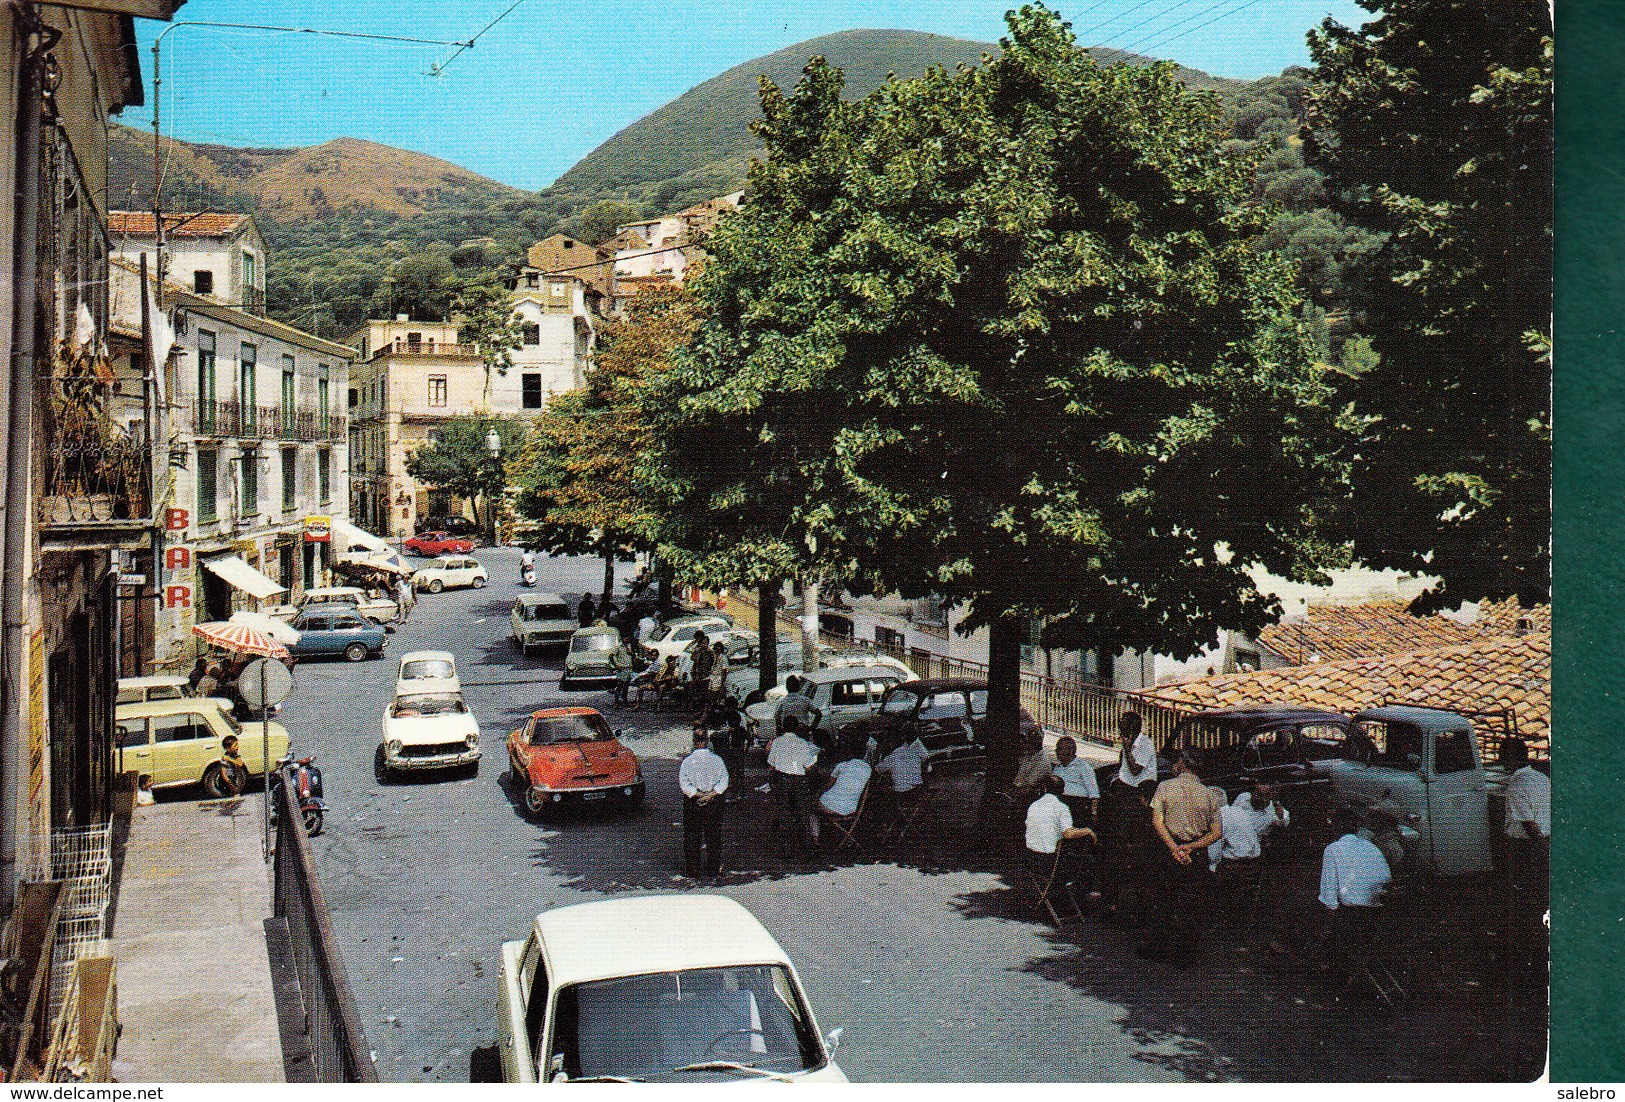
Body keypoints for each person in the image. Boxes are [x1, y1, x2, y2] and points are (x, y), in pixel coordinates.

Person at [1144, 748, 1224, 958]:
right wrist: (1192, 847)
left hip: (1169, 849)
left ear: (1181, 763)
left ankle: (1158, 948)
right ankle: (1187, 953)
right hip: (1196, 852)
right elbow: (1216, 832)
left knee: (1163, 899)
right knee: (1192, 903)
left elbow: (1157, 821)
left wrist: (1174, 848)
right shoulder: (1210, 795)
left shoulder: (1165, 787)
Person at [1319, 808, 1392, 981]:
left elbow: (1329, 898)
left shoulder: (1333, 849)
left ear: (1335, 827)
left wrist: (1326, 928)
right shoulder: (1372, 847)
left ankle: (1328, 968)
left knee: (1309, 909)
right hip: (1378, 913)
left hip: (1354, 918)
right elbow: (1386, 878)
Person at [1025, 774, 1098, 909]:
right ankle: (1075, 902)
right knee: (1089, 861)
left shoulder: (1034, 805)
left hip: (1031, 858)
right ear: (1062, 791)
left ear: (1044, 789)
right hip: (1048, 863)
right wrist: (1087, 831)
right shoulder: (1060, 807)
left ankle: (1059, 896)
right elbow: (1068, 833)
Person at [1501, 737, 1550, 903]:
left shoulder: (1517, 784)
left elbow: (1528, 822)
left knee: (1524, 893)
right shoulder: (1541, 778)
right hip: (1544, 840)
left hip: (1525, 847)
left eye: (1503, 756)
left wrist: (1544, 851)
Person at [767, 716, 820, 858]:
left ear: (783, 727)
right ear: (797, 728)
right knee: (803, 814)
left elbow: (771, 765)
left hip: (782, 780)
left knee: (784, 814)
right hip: (799, 781)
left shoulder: (777, 742)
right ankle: (806, 849)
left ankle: (785, 849)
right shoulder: (802, 743)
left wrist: (772, 782)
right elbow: (808, 766)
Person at [679, 728, 729, 877]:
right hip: (713, 802)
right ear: (707, 741)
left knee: (692, 836)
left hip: (694, 802)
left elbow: (684, 783)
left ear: (694, 742)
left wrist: (697, 794)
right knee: (713, 836)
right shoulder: (717, 760)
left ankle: (694, 869)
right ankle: (713, 868)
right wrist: (712, 794)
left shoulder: (687, 762)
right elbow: (724, 780)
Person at [1210, 783, 1290, 870]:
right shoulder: (1243, 797)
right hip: (1229, 839)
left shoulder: (1274, 812)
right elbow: (1229, 818)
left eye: (1264, 795)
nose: (1259, 798)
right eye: (1257, 794)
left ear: (1271, 797)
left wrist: (1277, 805)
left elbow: (1284, 823)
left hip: (1250, 849)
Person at [1051, 736, 1100, 825]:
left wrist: (1093, 813)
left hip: (1077, 805)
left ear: (1070, 751)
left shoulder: (1083, 767)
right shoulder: (1058, 768)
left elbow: (1093, 793)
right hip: (1059, 803)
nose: (1056, 751)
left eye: (1060, 748)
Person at [818, 745, 872, 820]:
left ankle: (814, 830)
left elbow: (828, 784)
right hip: (850, 810)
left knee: (812, 808)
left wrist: (819, 793)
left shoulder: (842, 765)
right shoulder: (868, 770)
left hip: (829, 806)